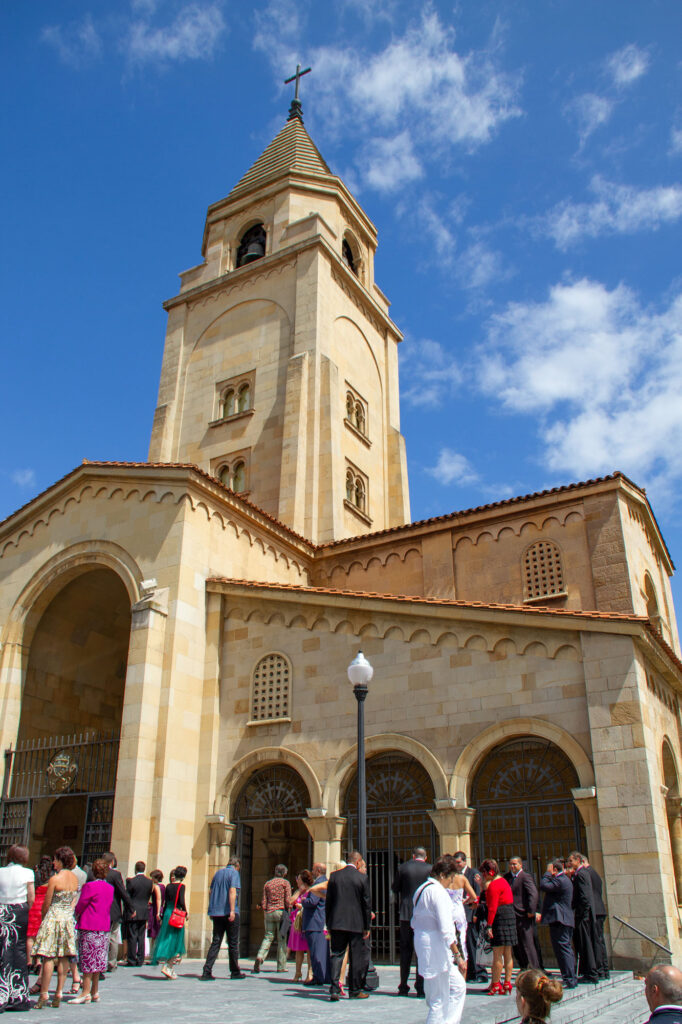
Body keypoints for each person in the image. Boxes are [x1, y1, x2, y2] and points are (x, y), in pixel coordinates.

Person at [411, 854, 467, 1024]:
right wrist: (458, 955)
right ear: (442, 875)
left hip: (425, 944)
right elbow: (446, 928)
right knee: (438, 1000)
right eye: (450, 878)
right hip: (435, 948)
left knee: (457, 987)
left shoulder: (421, 889)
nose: (451, 883)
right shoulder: (438, 892)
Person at [32, 846, 79, 1008]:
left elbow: (47, 903)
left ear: (60, 861)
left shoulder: (55, 879)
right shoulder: (74, 879)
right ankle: (59, 992)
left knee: (48, 957)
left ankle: (44, 994)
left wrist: (45, 918)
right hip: (67, 919)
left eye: (55, 859)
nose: (53, 863)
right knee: (65, 957)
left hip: (54, 917)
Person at [325, 850, 371, 1001]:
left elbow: (329, 902)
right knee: (355, 957)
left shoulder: (334, 876)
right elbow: (366, 904)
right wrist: (367, 926)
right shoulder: (362, 878)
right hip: (356, 924)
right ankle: (355, 990)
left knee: (337, 955)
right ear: (358, 862)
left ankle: (334, 989)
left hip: (337, 923)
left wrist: (329, 923)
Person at [392, 846, 432, 997]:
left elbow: (395, 888)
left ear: (413, 856)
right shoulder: (430, 869)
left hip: (406, 914)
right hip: (423, 914)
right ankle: (420, 987)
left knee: (405, 951)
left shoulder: (403, 868)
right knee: (422, 951)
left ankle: (403, 985)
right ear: (425, 857)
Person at [73, 857, 114, 1003]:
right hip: (103, 927)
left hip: (89, 925)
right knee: (98, 961)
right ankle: (95, 991)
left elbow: (81, 905)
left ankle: (85, 992)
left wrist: (76, 913)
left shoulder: (89, 887)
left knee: (87, 960)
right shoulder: (110, 888)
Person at [0, 844, 35, 1012]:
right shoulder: (28, 873)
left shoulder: (0, 871)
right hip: (19, 911)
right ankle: (18, 995)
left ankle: (2, 994)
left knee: (3, 949)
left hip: (2, 910)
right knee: (19, 949)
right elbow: (31, 896)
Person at [201, 856, 244, 980]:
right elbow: (232, 891)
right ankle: (235, 972)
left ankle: (206, 971)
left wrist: (212, 908)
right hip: (229, 912)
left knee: (216, 942)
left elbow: (211, 891)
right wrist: (231, 910)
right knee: (233, 943)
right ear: (237, 866)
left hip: (216, 912)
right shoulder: (234, 873)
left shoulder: (218, 873)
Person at [538, 859, 576, 988]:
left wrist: (547, 873)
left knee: (563, 949)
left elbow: (544, 885)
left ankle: (569, 978)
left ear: (555, 870)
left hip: (561, 919)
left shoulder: (560, 880)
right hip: (563, 919)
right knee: (563, 949)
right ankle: (569, 977)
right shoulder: (564, 880)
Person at [480, 857, 515, 995]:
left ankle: (495, 983)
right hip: (509, 915)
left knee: (497, 954)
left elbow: (492, 907)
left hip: (499, 917)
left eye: (484, 873)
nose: (483, 876)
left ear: (490, 872)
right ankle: (507, 982)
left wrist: (489, 926)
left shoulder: (494, 885)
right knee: (508, 953)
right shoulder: (504, 881)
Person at [452, 851, 486, 983]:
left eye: (459, 862)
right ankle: (471, 972)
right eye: (456, 863)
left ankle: (480, 972)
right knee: (465, 944)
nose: (457, 865)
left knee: (474, 943)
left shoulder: (472, 874)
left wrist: (475, 913)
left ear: (465, 861)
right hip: (461, 917)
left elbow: (477, 895)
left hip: (471, 915)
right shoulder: (455, 876)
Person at [566, 851, 598, 984]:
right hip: (582, 915)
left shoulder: (582, 874)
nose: (569, 864)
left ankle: (591, 973)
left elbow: (585, 896)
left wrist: (583, 914)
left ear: (578, 860)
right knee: (583, 944)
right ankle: (587, 971)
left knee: (586, 944)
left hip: (583, 916)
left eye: (571, 861)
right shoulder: (580, 874)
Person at [253, 863, 291, 974]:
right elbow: (288, 900)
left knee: (268, 937)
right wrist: (289, 909)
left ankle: (260, 956)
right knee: (281, 939)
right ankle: (281, 966)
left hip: (269, 912)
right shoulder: (285, 883)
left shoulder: (267, 884)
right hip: (280, 912)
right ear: (284, 873)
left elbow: (264, 901)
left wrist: (265, 910)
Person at [151, 866, 188, 979]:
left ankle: (170, 968)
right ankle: (168, 966)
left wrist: (162, 915)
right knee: (177, 941)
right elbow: (181, 901)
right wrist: (186, 912)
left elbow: (165, 902)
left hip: (168, 913)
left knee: (168, 938)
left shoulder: (168, 886)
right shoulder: (181, 886)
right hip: (176, 914)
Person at [102, 852, 135, 972]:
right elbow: (123, 893)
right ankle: (111, 962)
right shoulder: (115, 874)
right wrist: (131, 908)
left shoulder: (93, 872)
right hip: (113, 910)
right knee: (113, 937)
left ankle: (100, 959)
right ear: (112, 862)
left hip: (97, 910)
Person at [505, 856, 539, 969]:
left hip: (523, 915)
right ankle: (523, 966)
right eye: (511, 864)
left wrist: (531, 910)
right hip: (512, 915)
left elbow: (533, 894)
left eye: (515, 864)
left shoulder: (525, 877)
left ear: (520, 865)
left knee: (527, 943)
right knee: (517, 944)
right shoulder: (507, 877)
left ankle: (533, 968)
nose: (512, 866)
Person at [27, 856, 53, 993]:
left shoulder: (35, 874)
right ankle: (39, 962)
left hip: (35, 905)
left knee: (30, 936)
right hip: (45, 906)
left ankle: (30, 961)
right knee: (41, 936)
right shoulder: (52, 876)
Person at [302, 862, 330, 986]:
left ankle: (318, 977)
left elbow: (313, 901)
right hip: (321, 921)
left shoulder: (319, 883)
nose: (312, 871)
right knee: (322, 952)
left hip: (315, 922)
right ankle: (325, 976)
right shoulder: (326, 881)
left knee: (316, 952)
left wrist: (303, 900)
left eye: (313, 869)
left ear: (318, 871)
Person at [582, 855, 608, 979]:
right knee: (600, 941)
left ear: (582, 861)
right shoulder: (594, 873)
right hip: (599, 909)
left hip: (594, 912)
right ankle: (604, 970)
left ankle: (599, 969)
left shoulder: (585, 873)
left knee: (596, 942)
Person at [287, 870, 314, 982]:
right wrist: (299, 891)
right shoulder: (299, 891)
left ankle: (309, 973)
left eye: (298, 880)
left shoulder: (311, 891)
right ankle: (298, 973)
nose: (297, 881)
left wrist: (301, 906)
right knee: (298, 949)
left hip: (306, 921)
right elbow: (290, 901)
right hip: (297, 923)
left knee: (309, 950)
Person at [126, 861, 153, 966]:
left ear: (135, 869)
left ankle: (132, 959)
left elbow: (128, 897)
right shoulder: (149, 882)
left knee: (132, 935)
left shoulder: (131, 881)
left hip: (134, 911)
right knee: (141, 936)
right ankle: (140, 958)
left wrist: (131, 909)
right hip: (144, 910)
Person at [147, 870, 165, 955]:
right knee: (157, 933)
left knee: (155, 932)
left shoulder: (156, 887)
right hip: (160, 909)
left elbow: (158, 899)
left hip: (156, 909)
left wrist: (157, 912)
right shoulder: (163, 886)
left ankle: (153, 954)